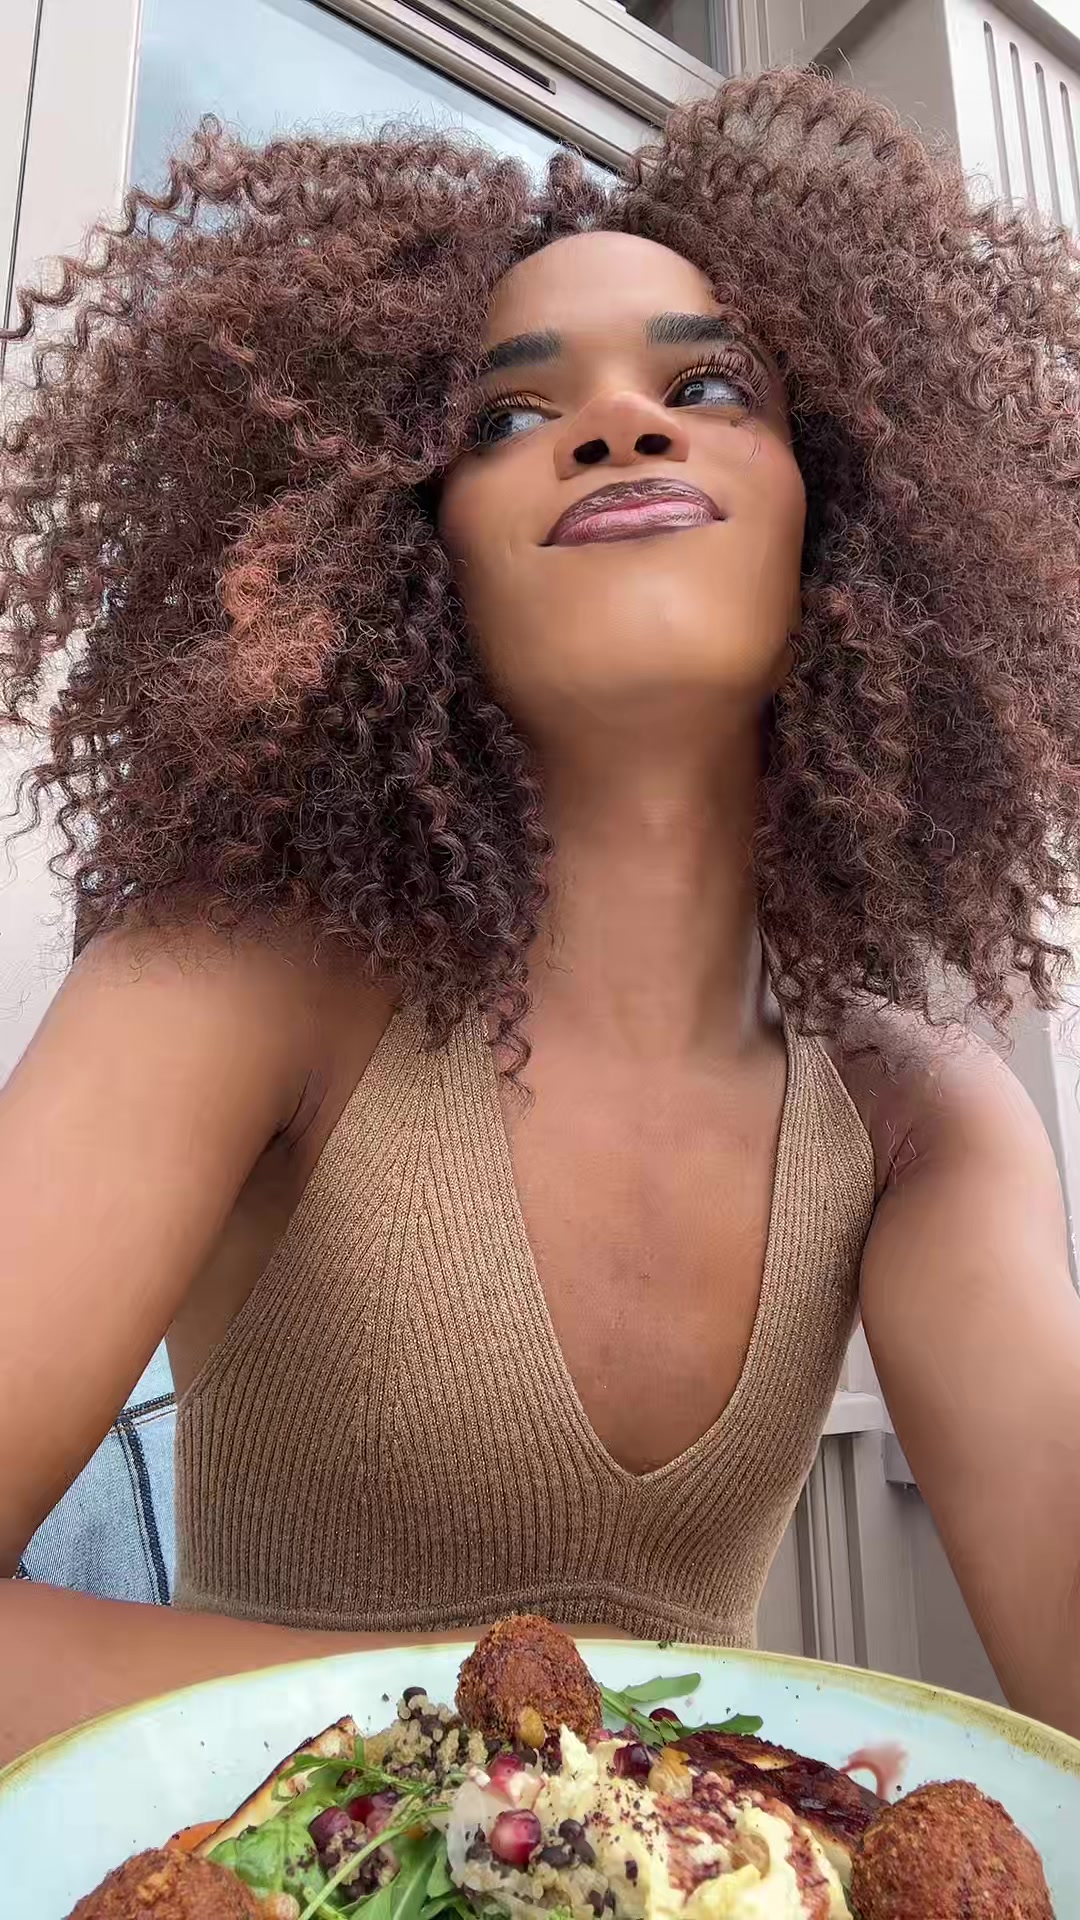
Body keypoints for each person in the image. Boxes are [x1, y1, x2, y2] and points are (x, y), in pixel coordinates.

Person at [2, 66, 1079, 1766]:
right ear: (404, 550)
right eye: (506, 416)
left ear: (846, 511)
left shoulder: (920, 1116)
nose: (620, 426)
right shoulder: (233, 985)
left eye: (705, 385)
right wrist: (530, 1763)